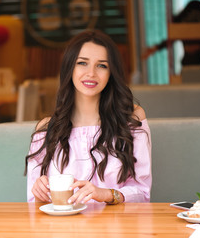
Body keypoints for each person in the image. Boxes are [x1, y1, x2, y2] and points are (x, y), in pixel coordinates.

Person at [25, 30, 152, 205]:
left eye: (102, 65)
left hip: (116, 229)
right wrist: (39, 194)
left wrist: (105, 194)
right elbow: (34, 204)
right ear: (70, 67)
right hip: (64, 230)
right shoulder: (46, 129)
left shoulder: (131, 119)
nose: (91, 73)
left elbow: (142, 193)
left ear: (111, 73)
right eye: (82, 63)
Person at [143, 0, 200, 66]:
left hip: (188, 62)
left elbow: (170, 40)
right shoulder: (199, 21)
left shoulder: (182, 24)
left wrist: (155, 48)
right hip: (196, 61)